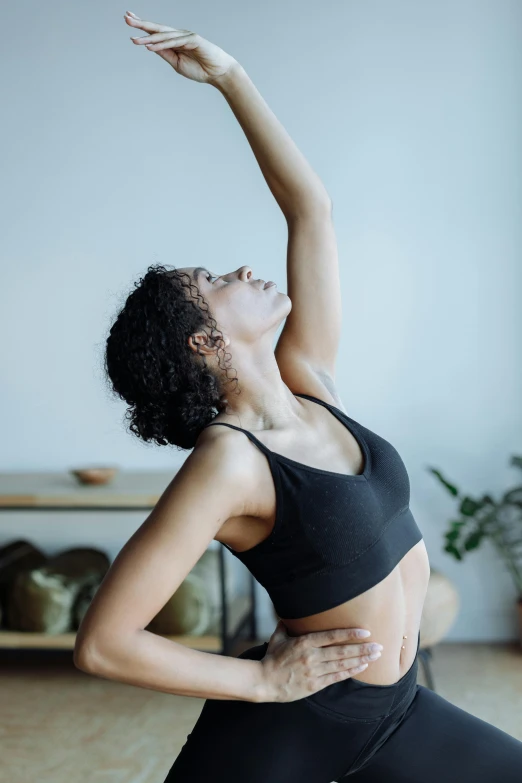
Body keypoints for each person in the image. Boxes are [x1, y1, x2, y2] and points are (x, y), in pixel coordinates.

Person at [74, 10, 522, 782]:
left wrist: (229, 78)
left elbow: (310, 210)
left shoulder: (309, 380)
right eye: (215, 282)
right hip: (300, 735)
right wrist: (260, 679)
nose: (242, 271)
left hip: (398, 712)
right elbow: (104, 641)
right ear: (204, 342)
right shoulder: (229, 464)